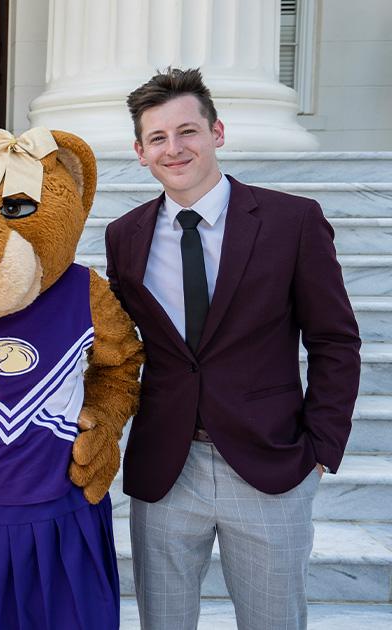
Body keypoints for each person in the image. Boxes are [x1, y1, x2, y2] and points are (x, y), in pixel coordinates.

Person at [105, 67, 362, 630]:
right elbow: (121, 345)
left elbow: (334, 340)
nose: (174, 149)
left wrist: (320, 446)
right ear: (140, 152)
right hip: (166, 467)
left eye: (187, 131)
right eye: (157, 138)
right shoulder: (124, 236)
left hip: (270, 463)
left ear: (216, 132)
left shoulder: (291, 221)